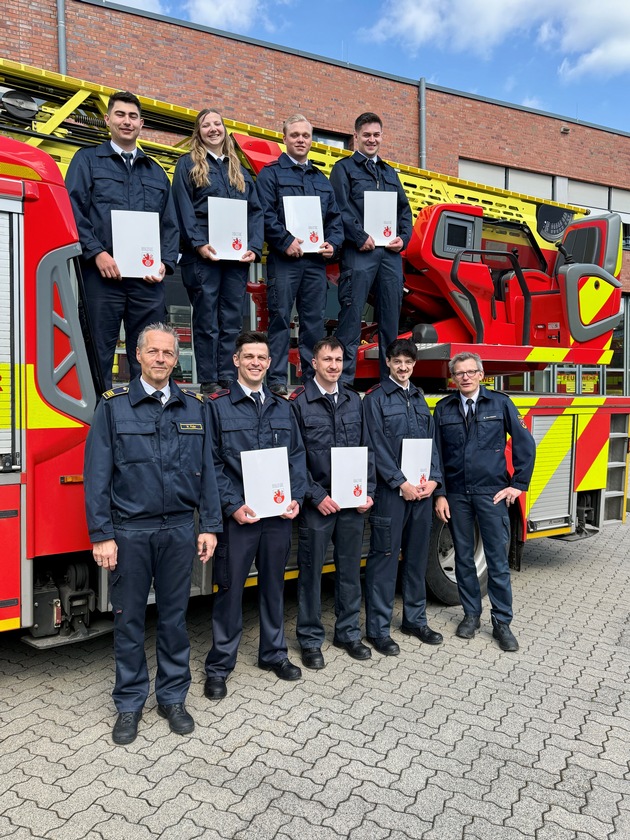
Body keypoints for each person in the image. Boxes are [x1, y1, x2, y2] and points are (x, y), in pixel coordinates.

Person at [84, 323, 222, 745]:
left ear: (175, 359)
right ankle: (129, 704)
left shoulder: (194, 406)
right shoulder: (113, 406)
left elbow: (209, 474)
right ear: (136, 356)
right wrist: (101, 534)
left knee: (175, 619)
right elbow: (97, 476)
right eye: (153, 352)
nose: (161, 359)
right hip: (130, 532)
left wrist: (211, 525)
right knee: (128, 621)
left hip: (180, 529)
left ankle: (172, 698)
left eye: (168, 353)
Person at [204, 331, 307, 700]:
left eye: (262, 358)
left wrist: (295, 497)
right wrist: (233, 506)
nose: (256, 363)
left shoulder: (283, 407)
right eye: (249, 356)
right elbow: (212, 463)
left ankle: (273, 654)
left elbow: (296, 456)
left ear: (269, 363)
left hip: (278, 517)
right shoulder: (216, 407)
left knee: (274, 587)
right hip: (240, 519)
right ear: (236, 361)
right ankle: (219, 665)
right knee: (229, 591)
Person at [66, 91, 179, 389]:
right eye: (120, 115)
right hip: (103, 277)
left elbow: (170, 224)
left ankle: (148, 414)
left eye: (132, 117)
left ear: (141, 124)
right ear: (107, 119)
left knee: (152, 351)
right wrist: (97, 253)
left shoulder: (156, 172)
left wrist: (165, 264)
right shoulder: (87, 161)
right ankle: (98, 419)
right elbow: (73, 210)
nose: (126, 122)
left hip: (147, 280)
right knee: (97, 349)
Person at [433, 352, 536, 652]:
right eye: (459, 373)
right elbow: (435, 453)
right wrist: (440, 493)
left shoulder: (500, 403)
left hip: (491, 492)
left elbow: (524, 443)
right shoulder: (444, 409)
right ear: (453, 378)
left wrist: (517, 485)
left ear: (481, 374)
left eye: (470, 371)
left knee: (496, 559)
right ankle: (471, 615)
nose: (464, 377)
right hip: (456, 494)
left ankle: (502, 623)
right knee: (464, 557)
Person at [289, 337, 375, 670]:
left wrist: (368, 490)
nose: (334, 366)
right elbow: (293, 458)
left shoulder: (355, 401)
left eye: (339, 360)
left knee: (351, 571)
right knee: (310, 573)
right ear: (314, 362)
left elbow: (367, 449)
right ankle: (310, 640)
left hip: (352, 505)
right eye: (327, 360)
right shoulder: (299, 403)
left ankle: (348, 633)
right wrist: (315, 495)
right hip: (318, 505)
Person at [172, 109, 264, 395]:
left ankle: (227, 375)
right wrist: (198, 243)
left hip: (235, 259)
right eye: (206, 125)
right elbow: (183, 208)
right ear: (198, 132)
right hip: (204, 257)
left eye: (217, 124)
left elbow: (256, 211)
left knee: (232, 320)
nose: (213, 129)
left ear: (225, 130)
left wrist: (253, 247)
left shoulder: (239, 170)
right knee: (206, 319)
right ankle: (209, 378)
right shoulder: (187, 164)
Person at [362, 338, 443, 655]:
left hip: (422, 493)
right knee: (383, 559)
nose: (403, 366)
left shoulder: (420, 398)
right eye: (398, 361)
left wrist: (434, 480)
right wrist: (399, 482)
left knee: (416, 558)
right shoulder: (376, 399)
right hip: (391, 494)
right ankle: (378, 630)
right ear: (388, 362)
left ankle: (414, 619)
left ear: (414, 365)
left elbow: (432, 443)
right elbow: (374, 446)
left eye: (408, 362)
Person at [255, 114, 344, 395]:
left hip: (315, 263)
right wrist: (284, 240)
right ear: (284, 138)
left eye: (305, 135)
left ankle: (310, 380)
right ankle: (277, 379)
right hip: (285, 260)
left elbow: (335, 219)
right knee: (280, 317)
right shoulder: (270, 174)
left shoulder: (322, 179)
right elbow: (264, 213)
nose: (301, 140)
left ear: (311, 140)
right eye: (295, 135)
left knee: (313, 321)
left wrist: (332, 243)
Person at [329, 112, 413, 383]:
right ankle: (343, 386)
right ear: (356, 137)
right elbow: (340, 207)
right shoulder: (343, 169)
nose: (372, 139)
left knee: (390, 321)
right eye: (366, 135)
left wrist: (403, 237)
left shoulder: (389, 172)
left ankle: (389, 385)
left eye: (376, 135)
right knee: (351, 319)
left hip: (389, 255)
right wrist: (358, 235)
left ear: (381, 137)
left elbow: (404, 210)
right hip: (359, 253)